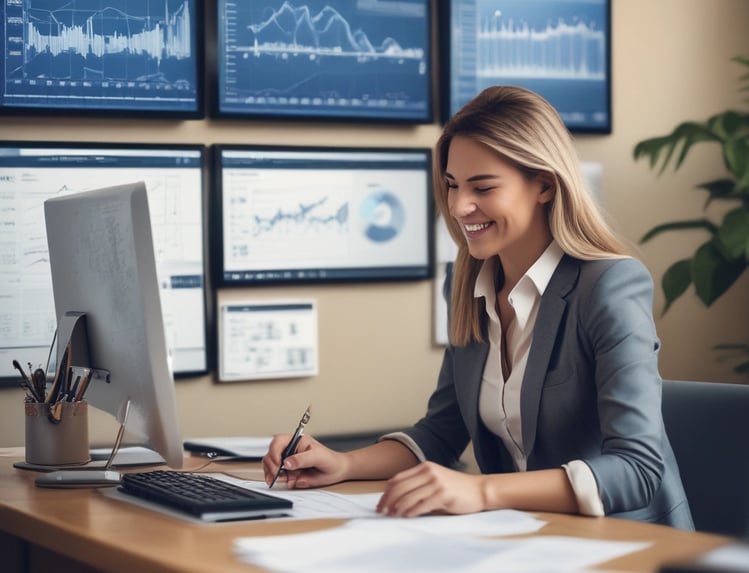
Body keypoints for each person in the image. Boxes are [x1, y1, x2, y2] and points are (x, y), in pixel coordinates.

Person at [263, 85, 695, 529]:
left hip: (626, 542)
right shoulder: (466, 282)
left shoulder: (607, 285)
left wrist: (480, 490)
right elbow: (442, 431)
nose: (458, 206)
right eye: (451, 185)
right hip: (520, 536)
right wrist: (344, 463)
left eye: (482, 187)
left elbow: (637, 469)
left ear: (544, 184)